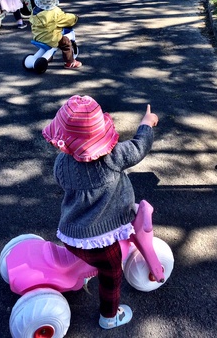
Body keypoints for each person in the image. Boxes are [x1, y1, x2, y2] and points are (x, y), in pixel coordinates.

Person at [43, 95, 159, 330]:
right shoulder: (112, 157)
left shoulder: (61, 164)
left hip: (72, 234)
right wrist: (146, 124)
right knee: (112, 273)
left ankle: (84, 274)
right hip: (99, 241)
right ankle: (109, 316)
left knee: (95, 261)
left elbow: (62, 183)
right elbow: (139, 147)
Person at [29, 0, 82, 69]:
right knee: (66, 44)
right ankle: (70, 62)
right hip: (51, 38)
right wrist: (75, 18)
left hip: (37, 36)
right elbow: (66, 19)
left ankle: (44, 57)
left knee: (48, 35)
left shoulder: (35, 10)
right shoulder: (55, 13)